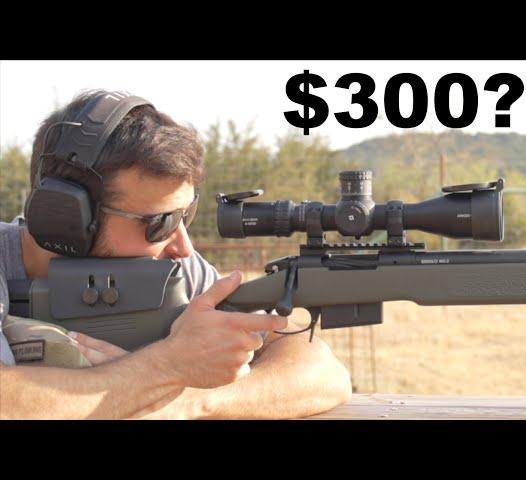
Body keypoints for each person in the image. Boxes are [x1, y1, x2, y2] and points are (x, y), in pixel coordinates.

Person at [0, 90, 352, 419]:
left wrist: (187, 399)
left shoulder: (176, 269)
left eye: (186, 215)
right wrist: (163, 367)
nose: (183, 246)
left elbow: (323, 373)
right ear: (67, 218)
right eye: (159, 223)